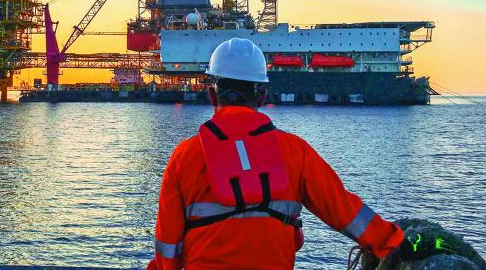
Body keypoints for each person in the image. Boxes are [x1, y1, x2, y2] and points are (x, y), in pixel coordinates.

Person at [148, 38, 407, 270]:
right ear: (262, 96)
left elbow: (168, 249)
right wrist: (392, 241)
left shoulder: (184, 157)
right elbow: (345, 211)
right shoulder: (296, 152)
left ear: (212, 96)